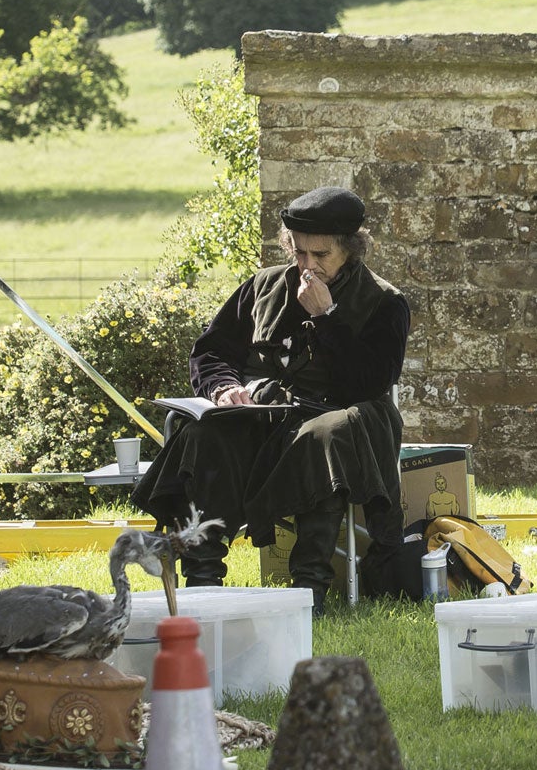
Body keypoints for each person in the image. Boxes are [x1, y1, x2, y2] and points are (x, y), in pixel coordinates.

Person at [131, 186, 409, 615]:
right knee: (206, 434)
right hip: (264, 413)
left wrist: (327, 317)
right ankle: (202, 579)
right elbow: (211, 352)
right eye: (299, 254)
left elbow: (370, 382)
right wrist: (223, 388)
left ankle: (308, 588)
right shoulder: (263, 286)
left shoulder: (385, 302)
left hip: (338, 414)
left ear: (351, 250)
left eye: (321, 256)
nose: (308, 267)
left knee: (329, 433)